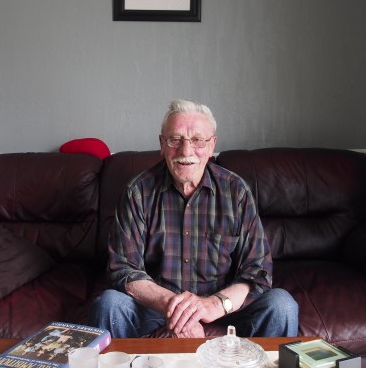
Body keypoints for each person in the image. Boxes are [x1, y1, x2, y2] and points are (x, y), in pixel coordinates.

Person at [89, 100, 298, 338]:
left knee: (282, 305)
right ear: (162, 144)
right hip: (157, 306)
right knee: (109, 304)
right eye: (175, 139)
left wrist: (213, 305)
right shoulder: (138, 192)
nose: (186, 151)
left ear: (212, 145)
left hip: (223, 307)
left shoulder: (236, 191)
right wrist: (176, 308)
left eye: (198, 140)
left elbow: (258, 271)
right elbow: (123, 268)